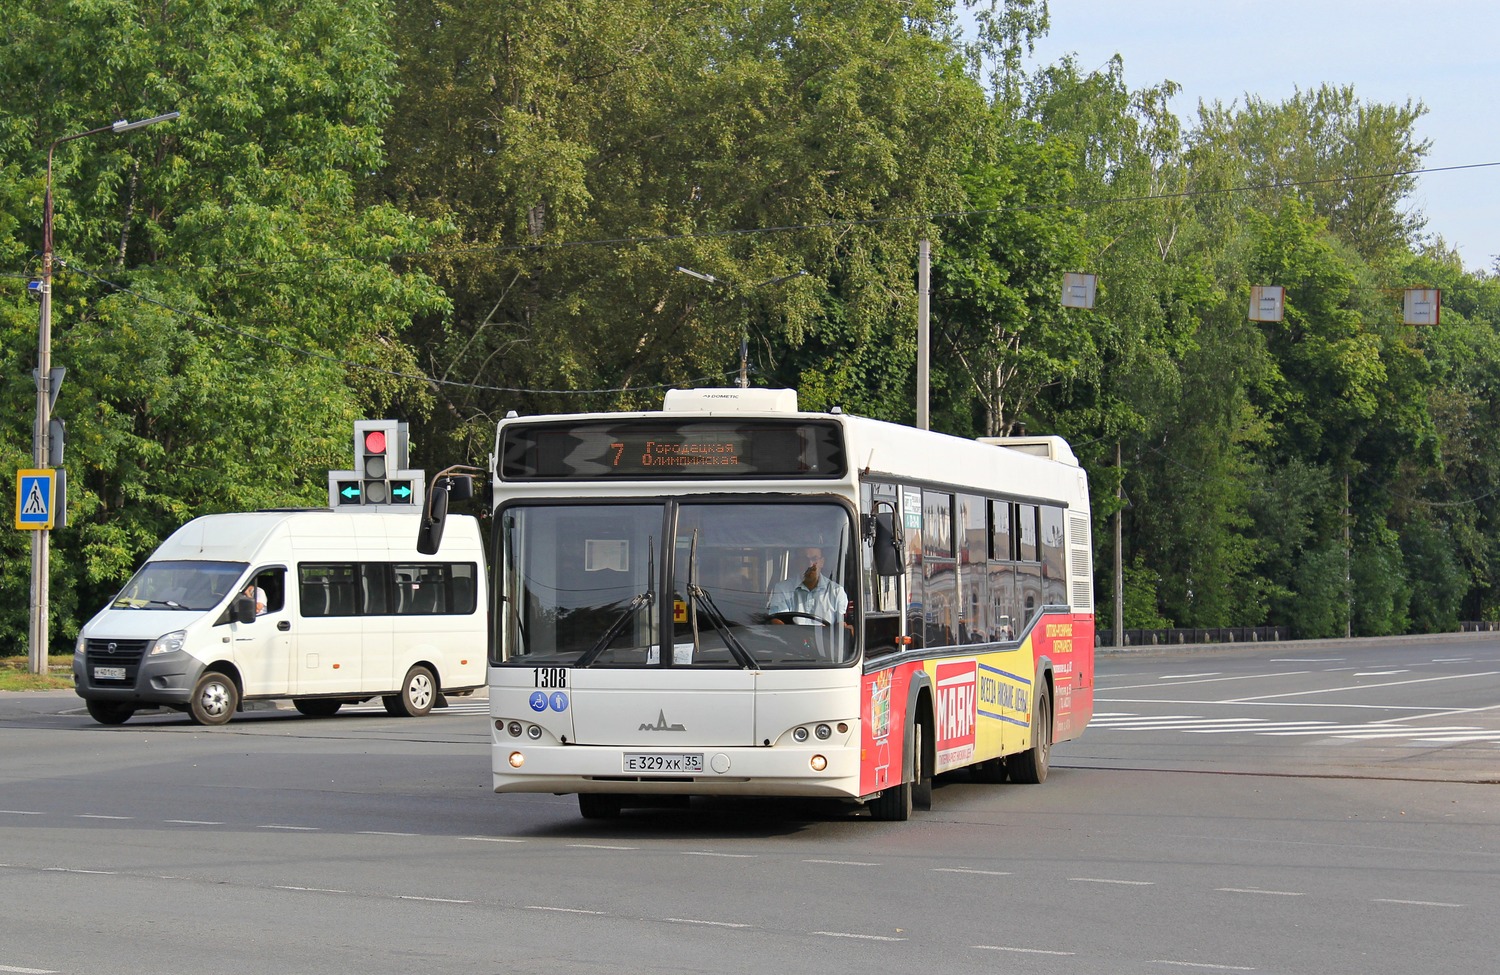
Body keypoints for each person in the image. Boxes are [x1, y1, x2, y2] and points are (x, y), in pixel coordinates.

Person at [767, 546, 849, 628]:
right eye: (804, 559)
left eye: (814, 559)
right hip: (791, 639)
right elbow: (778, 621)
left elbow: (841, 626)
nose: (810, 564)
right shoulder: (782, 589)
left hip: (826, 641)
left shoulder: (837, 592)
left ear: (822, 562)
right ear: (798, 562)